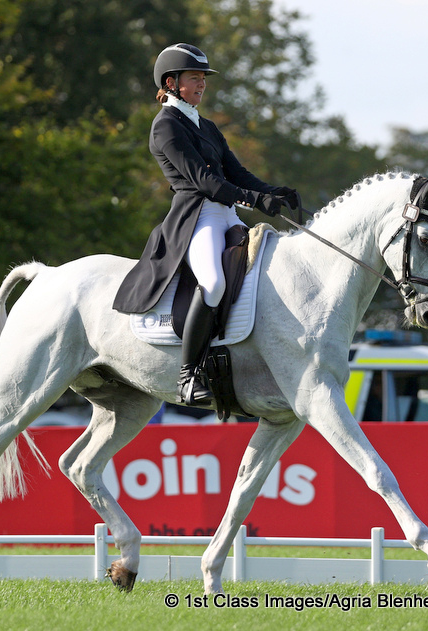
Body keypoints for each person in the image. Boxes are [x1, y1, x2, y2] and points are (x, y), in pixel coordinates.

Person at [113, 43, 300, 406]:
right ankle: (187, 376)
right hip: (197, 217)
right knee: (213, 283)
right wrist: (254, 200)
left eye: (203, 78)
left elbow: (236, 173)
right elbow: (204, 181)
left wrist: (273, 191)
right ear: (171, 82)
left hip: (226, 214)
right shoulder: (165, 126)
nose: (202, 84)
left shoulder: (207, 126)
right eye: (194, 77)